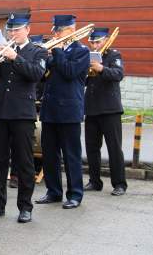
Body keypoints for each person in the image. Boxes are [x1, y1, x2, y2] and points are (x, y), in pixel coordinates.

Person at [0, 12, 47, 223]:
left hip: (22, 114)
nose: (12, 33)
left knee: (24, 162)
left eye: (16, 29)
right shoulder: (3, 50)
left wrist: (15, 57)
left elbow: (36, 74)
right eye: (9, 30)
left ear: (27, 30)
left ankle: (25, 207)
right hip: (1, 112)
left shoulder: (38, 51)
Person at [36, 15, 90, 209]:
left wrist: (57, 52)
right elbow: (42, 76)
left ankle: (75, 194)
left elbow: (69, 72)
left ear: (71, 30)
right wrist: (44, 57)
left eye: (59, 31)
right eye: (55, 30)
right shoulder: (54, 52)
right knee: (50, 154)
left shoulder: (82, 51)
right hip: (50, 109)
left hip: (69, 110)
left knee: (71, 155)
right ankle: (53, 191)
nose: (55, 34)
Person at [84, 27, 127, 196]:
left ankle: (120, 184)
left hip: (110, 109)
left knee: (114, 147)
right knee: (92, 148)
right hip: (92, 108)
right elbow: (84, 80)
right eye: (92, 42)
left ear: (106, 40)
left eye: (98, 41)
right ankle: (95, 181)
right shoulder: (88, 56)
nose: (95, 45)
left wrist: (101, 68)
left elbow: (118, 74)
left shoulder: (114, 55)